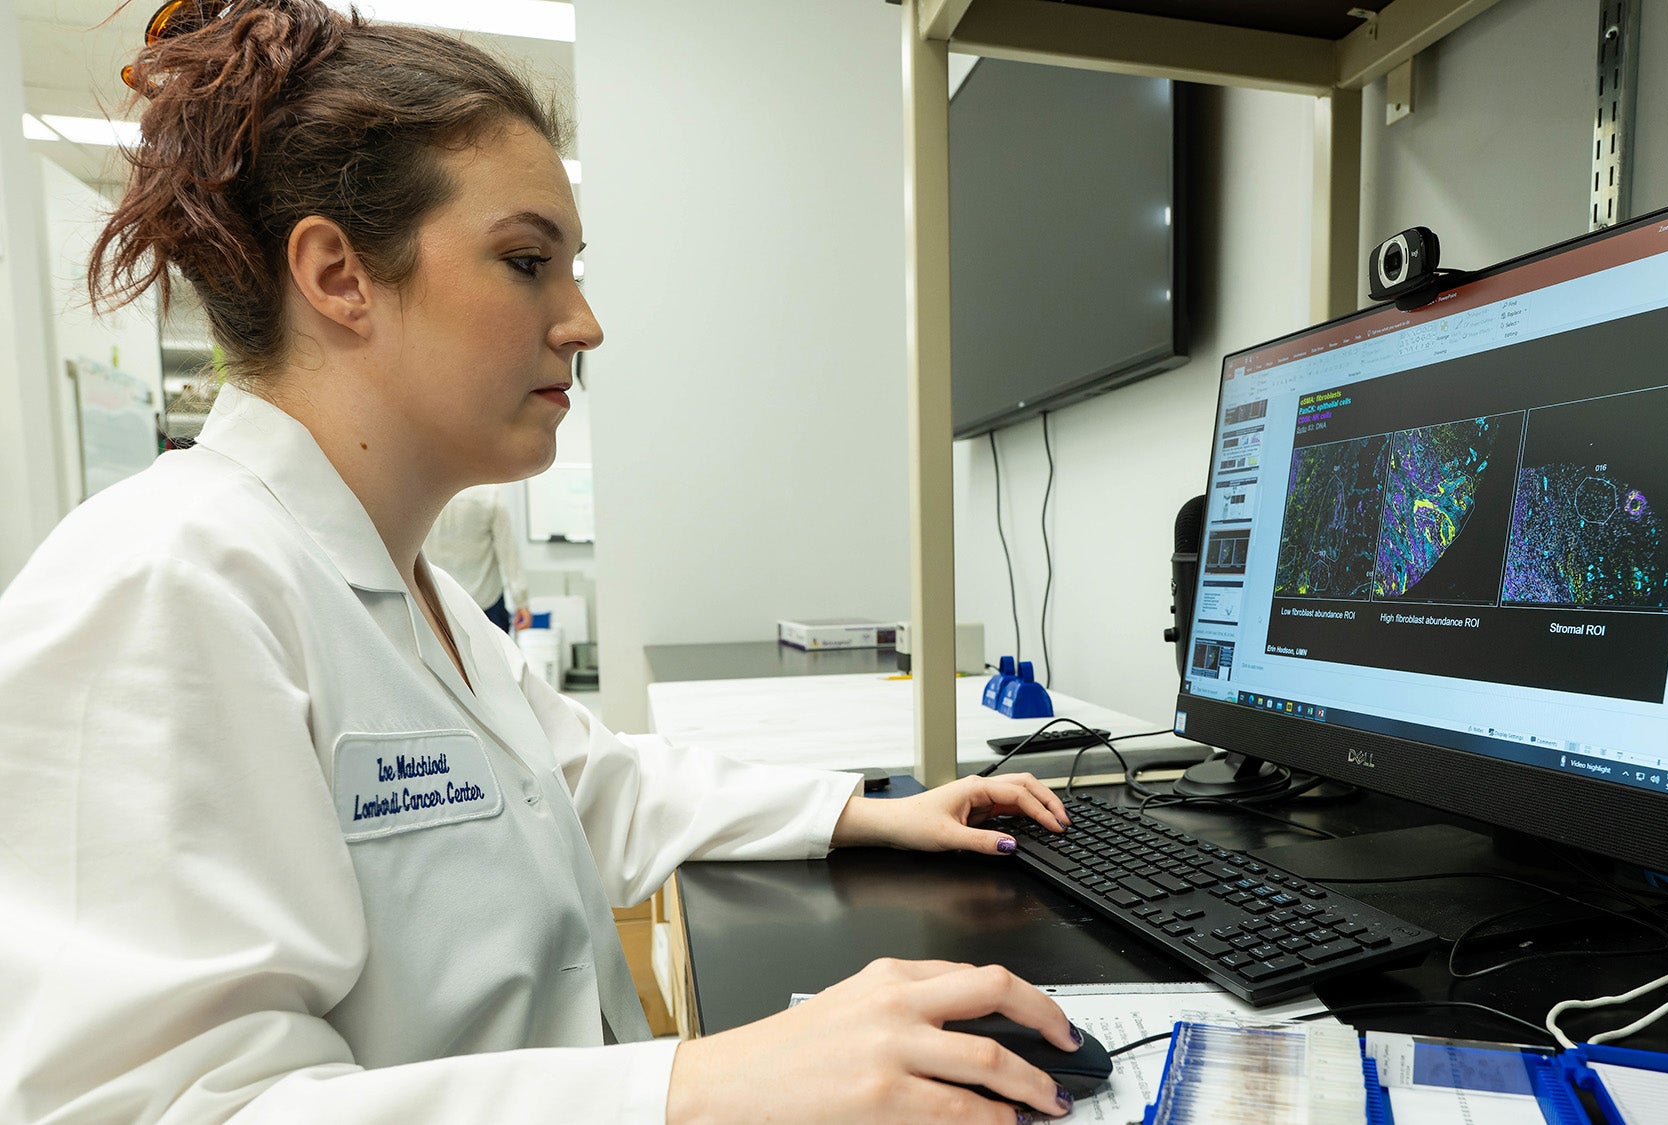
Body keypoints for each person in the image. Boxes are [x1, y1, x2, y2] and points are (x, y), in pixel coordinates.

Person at [0, 3, 1082, 1122]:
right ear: (337, 276)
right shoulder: (161, 586)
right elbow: (159, 1107)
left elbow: (582, 781)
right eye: (527, 262)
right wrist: (694, 1086)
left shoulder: (416, 595)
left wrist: (864, 812)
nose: (583, 321)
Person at [423, 482, 532, 633]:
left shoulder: (424, 490)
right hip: (485, 604)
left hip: (438, 604)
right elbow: (508, 552)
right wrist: (521, 601)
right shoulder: (489, 493)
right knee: (494, 656)